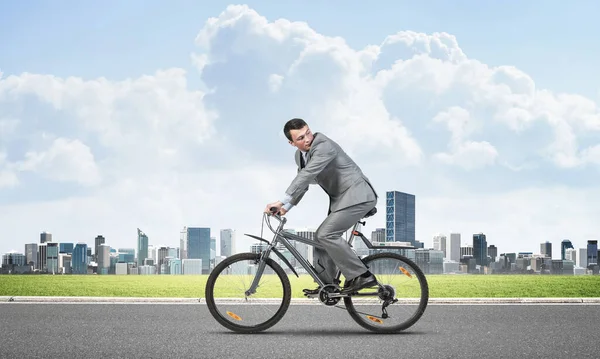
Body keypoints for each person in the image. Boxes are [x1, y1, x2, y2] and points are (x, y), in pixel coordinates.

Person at [264, 118, 379, 295]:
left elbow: (308, 174)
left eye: (308, 133)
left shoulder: (323, 146)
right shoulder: (300, 156)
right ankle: (327, 285)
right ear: (292, 143)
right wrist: (286, 207)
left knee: (326, 234)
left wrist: (280, 200)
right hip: (342, 199)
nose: (308, 139)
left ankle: (362, 275)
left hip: (358, 196)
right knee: (320, 239)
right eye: (301, 138)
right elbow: (302, 183)